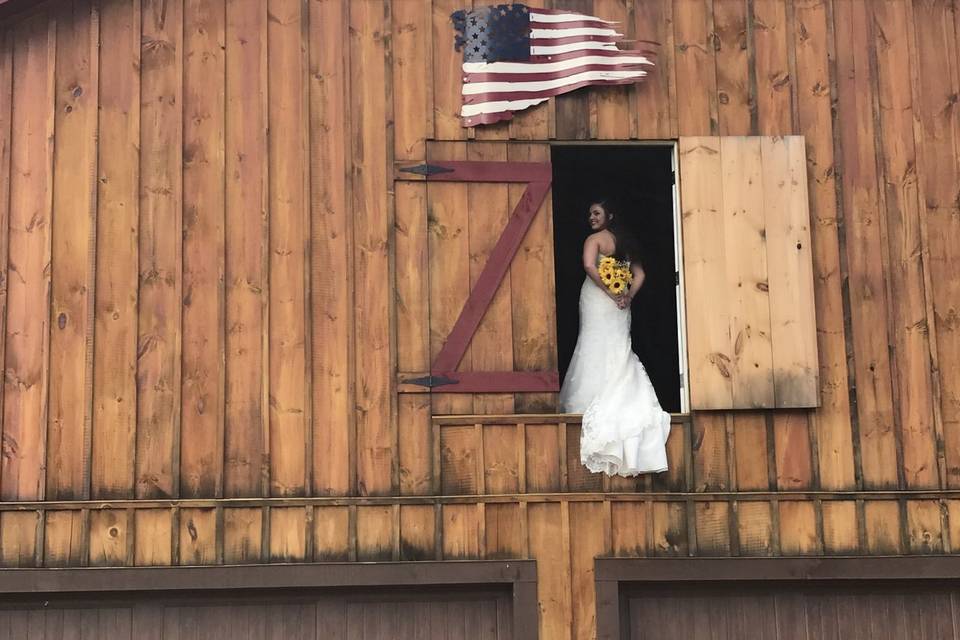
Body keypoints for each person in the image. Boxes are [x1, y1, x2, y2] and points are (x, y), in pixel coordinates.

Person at [559, 200, 672, 476]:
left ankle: (590, 399)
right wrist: (627, 297)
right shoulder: (624, 243)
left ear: (609, 215)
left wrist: (612, 294)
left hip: (600, 299)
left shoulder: (594, 240)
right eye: (589, 214)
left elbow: (589, 266)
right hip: (618, 303)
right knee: (609, 344)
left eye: (596, 213)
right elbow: (640, 274)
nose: (591, 217)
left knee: (593, 343)